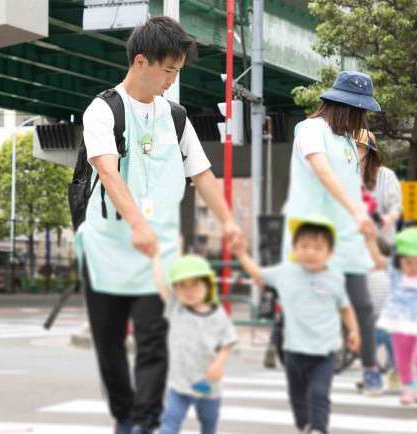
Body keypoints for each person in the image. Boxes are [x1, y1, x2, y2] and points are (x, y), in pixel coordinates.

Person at [78, 16, 244, 434]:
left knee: (155, 340)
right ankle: (124, 414)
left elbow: (202, 174)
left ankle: (145, 423)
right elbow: (108, 172)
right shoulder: (103, 110)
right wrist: (137, 224)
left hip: (160, 252)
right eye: (169, 69)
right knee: (110, 342)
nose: (173, 79)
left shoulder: (176, 116)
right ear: (140, 61)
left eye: (178, 70)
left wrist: (229, 222)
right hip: (108, 244)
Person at [284, 71, 382, 395]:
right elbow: (323, 172)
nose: (363, 119)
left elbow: (352, 188)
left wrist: (362, 225)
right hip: (314, 234)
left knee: (362, 304)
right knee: (310, 302)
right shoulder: (311, 129)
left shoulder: (350, 143)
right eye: (361, 113)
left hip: (348, 236)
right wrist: (357, 212)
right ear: (346, 108)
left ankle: (370, 369)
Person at [235, 214, 361, 434]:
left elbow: (345, 307)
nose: (310, 252)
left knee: (319, 392)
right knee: (297, 395)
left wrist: (354, 331)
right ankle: (304, 425)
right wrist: (241, 254)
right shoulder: (284, 273)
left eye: (318, 247)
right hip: (294, 350)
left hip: (325, 351)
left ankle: (319, 428)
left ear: (330, 253)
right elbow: (256, 272)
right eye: (303, 246)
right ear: (293, 248)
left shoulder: (335, 278)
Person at [150, 254, 237, 434]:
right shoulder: (176, 309)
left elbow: (227, 341)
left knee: (208, 424)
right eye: (182, 286)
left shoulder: (218, 314)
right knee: (169, 424)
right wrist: (154, 258)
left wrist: (219, 364)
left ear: (208, 286)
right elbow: (161, 285)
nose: (188, 291)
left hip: (208, 385)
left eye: (195, 284)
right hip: (179, 384)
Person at [366, 228, 417, 406]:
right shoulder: (395, 273)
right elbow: (377, 258)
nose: (414, 268)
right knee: (402, 359)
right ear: (399, 260)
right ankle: (408, 388)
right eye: (408, 262)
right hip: (400, 323)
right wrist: (371, 240)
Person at [356, 129, 402, 246]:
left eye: (357, 146)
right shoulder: (342, 175)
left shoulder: (385, 175)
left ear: (368, 153)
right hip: (353, 245)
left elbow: (396, 207)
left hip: (382, 244)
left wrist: (388, 218)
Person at [366, 236, 398, 389]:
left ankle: (397, 373)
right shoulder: (365, 273)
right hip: (371, 319)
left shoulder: (390, 271)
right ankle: (372, 373)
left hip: (390, 318)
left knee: (395, 350)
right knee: (369, 350)